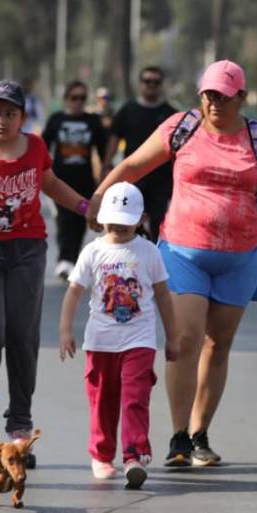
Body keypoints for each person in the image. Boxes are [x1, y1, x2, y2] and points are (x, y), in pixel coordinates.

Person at [88, 59, 257, 467]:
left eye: (224, 95)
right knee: (183, 341)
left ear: (241, 97)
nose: (214, 102)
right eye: (208, 94)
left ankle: (200, 433)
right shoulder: (180, 128)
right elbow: (134, 164)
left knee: (218, 346)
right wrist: (101, 195)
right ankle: (178, 436)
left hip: (239, 258)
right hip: (184, 252)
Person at [0, 79, 93, 460]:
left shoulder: (35, 147)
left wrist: (85, 208)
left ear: (21, 117)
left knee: (23, 337)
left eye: (10, 113)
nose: (2, 119)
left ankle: (20, 424)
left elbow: (52, 184)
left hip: (28, 251)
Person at [59, 182, 177, 488]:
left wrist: (172, 337)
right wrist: (65, 330)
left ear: (140, 220)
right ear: (101, 219)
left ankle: (134, 454)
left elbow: (163, 296)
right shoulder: (93, 251)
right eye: (113, 223)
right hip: (100, 342)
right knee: (102, 400)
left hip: (139, 340)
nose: (119, 229)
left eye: (126, 224)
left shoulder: (149, 252)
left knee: (135, 397)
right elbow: (74, 292)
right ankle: (101, 454)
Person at [43, 80, 108, 279]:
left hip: (85, 180)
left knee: (81, 220)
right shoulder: (56, 119)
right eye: (74, 97)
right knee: (63, 220)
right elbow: (43, 145)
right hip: (59, 180)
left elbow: (104, 148)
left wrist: (106, 171)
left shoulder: (92, 121)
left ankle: (72, 259)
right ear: (67, 99)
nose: (78, 102)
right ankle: (64, 259)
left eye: (82, 98)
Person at [105, 66, 178, 241]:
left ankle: (154, 263)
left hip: (161, 181)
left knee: (158, 227)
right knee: (130, 225)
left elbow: (178, 149)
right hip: (133, 181)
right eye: (147, 81)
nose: (151, 85)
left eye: (156, 82)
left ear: (161, 85)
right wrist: (106, 165)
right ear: (140, 84)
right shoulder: (128, 110)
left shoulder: (171, 114)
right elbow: (114, 138)